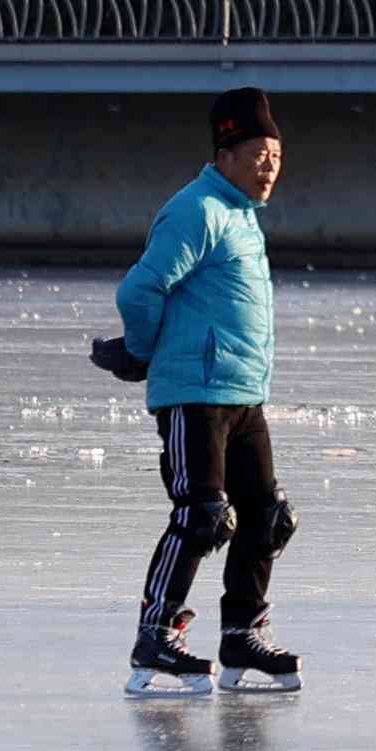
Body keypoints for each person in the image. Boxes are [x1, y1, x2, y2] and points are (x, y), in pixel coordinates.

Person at [113, 87, 294, 699]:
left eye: (276, 152)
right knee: (201, 515)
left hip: (244, 393)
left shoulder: (243, 215)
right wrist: (140, 355)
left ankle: (242, 633)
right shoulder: (198, 211)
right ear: (226, 153)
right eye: (258, 152)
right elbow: (140, 292)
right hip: (195, 394)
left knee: (267, 517)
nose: (270, 163)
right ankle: (155, 634)